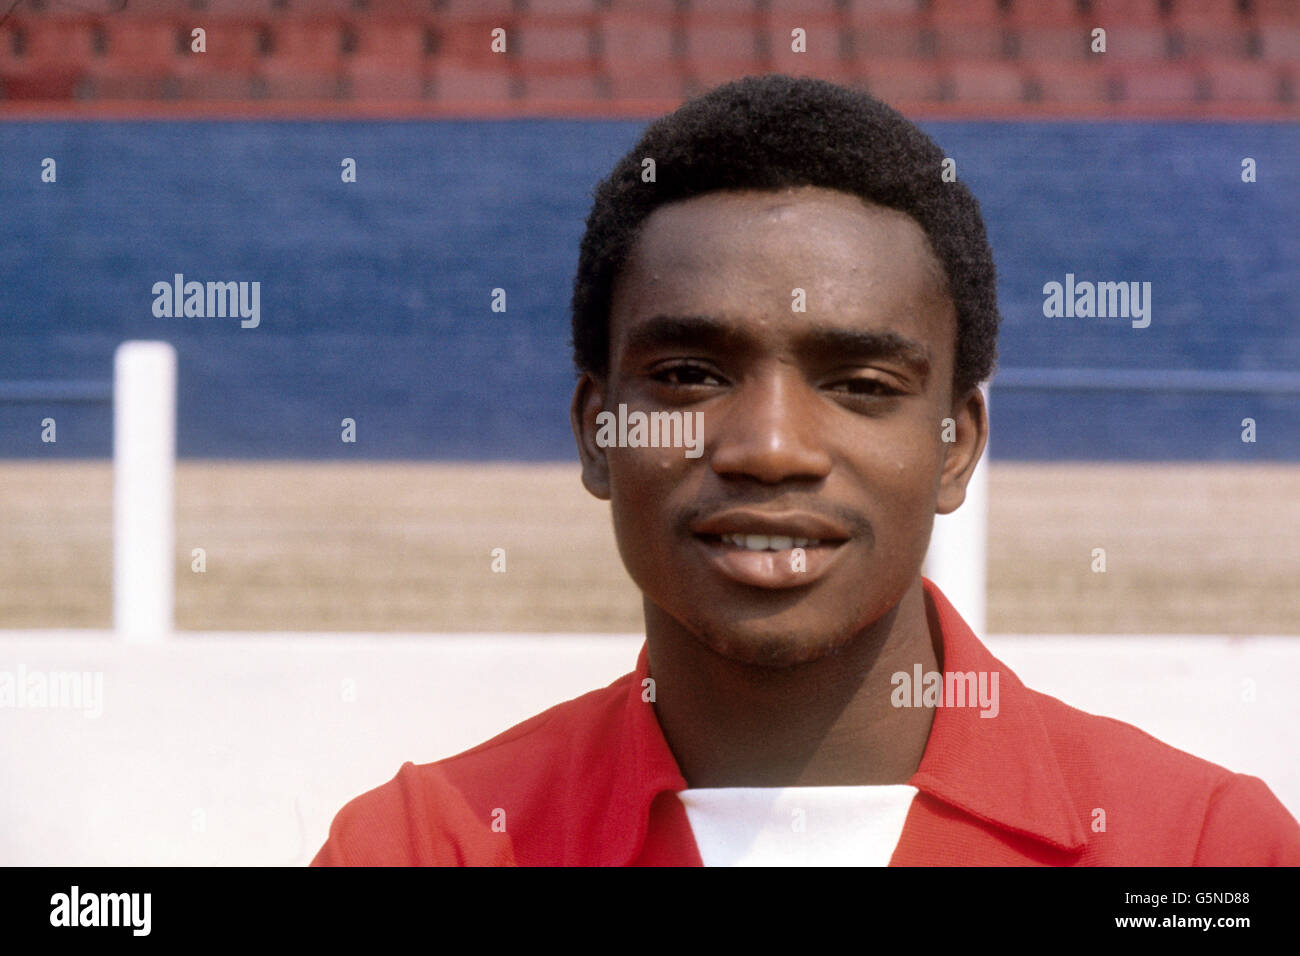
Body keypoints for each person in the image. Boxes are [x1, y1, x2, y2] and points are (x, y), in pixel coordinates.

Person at [312, 74, 1299, 866]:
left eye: (862, 382)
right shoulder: (423, 845)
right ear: (595, 431)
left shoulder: (1203, 848)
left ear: (956, 445)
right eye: (690, 374)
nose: (770, 446)